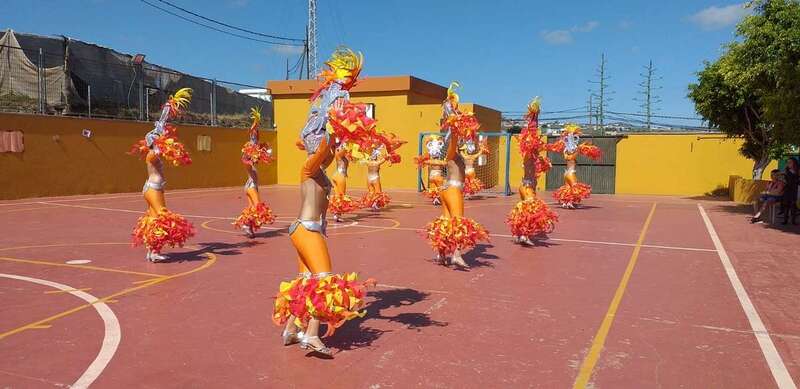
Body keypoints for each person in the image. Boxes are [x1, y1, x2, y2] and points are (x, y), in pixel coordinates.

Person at [272, 48, 373, 358]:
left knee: (305, 282)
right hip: (306, 230)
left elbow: (332, 149)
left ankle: (291, 329)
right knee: (324, 281)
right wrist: (332, 126)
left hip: (307, 230)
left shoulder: (321, 172)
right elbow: (323, 147)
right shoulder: (309, 168)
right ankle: (312, 335)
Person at [422, 82, 489, 268]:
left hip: (446, 189)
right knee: (459, 223)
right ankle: (456, 255)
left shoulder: (456, 154)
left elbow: (457, 140)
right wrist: (453, 124)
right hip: (452, 190)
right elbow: (452, 139)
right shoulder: (451, 152)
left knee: (445, 222)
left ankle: (441, 253)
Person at [129, 88, 195, 262]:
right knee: (162, 217)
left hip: (152, 189)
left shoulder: (152, 153)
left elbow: (160, 139)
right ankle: (155, 251)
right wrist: (162, 125)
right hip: (153, 190)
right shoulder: (152, 154)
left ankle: (152, 251)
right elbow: (160, 144)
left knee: (153, 219)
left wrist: (165, 117)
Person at [506, 98, 558, 245]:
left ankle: (520, 235)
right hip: (527, 187)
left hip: (527, 186)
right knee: (532, 211)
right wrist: (533, 119)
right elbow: (532, 131)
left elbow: (534, 132)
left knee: (525, 212)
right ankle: (524, 235)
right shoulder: (528, 155)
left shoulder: (533, 156)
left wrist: (535, 117)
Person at [234, 107, 276, 238]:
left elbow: (255, 139)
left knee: (252, 208)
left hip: (251, 186)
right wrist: (253, 154)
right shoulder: (248, 162)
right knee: (257, 206)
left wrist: (256, 124)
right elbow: (246, 157)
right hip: (251, 186)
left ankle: (248, 226)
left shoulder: (252, 160)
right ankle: (247, 224)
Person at [546, 124, 602, 209]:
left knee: (568, 188)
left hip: (566, 174)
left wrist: (576, 143)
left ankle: (566, 203)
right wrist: (579, 148)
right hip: (571, 173)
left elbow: (570, 149)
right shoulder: (572, 155)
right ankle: (570, 202)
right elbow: (576, 151)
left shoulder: (566, 154)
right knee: (575, 188)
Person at [328, 144, 360, 222]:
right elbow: (344, 150)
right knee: (341, 196)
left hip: (336, 175)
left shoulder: (341, 156)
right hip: (340, 176)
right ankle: (338, 215)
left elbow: (354, 158)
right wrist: (348, 143)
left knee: (338, 196)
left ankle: (336, 214)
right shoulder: (338, 154)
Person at [416, 135, 447, 205]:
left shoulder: (433, 161)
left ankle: (436, 199)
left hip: (433, 176)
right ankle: (437, 199)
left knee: (436, 188)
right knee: (437, 188)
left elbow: (443, 163)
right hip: (435, 176)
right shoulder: (434, 161)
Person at [781, 157, 799, 225]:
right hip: (787, 189)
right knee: (786, 205)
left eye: (790, 162)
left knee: (793, 205)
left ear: (794, 163)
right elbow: (783, 179)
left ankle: (793, 221)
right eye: (787, 162)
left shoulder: (797, 171)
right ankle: (785, 220)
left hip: (794, 189)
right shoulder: (786, 171)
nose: (788, 164)